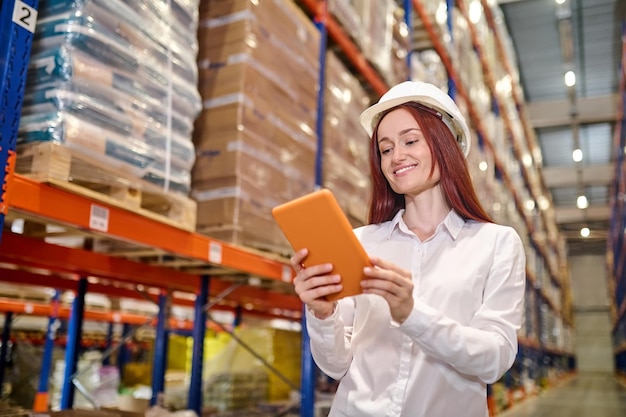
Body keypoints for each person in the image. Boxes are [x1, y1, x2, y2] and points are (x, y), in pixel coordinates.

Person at [290, 81, 526, 417]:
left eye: (410, 141)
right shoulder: (362, 242)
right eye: (385, 150)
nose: (396, 157)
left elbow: (494, 359)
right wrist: (322, 313)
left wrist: (411, 314)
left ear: (446, 145)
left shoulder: (496, 244)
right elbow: (336, 365)